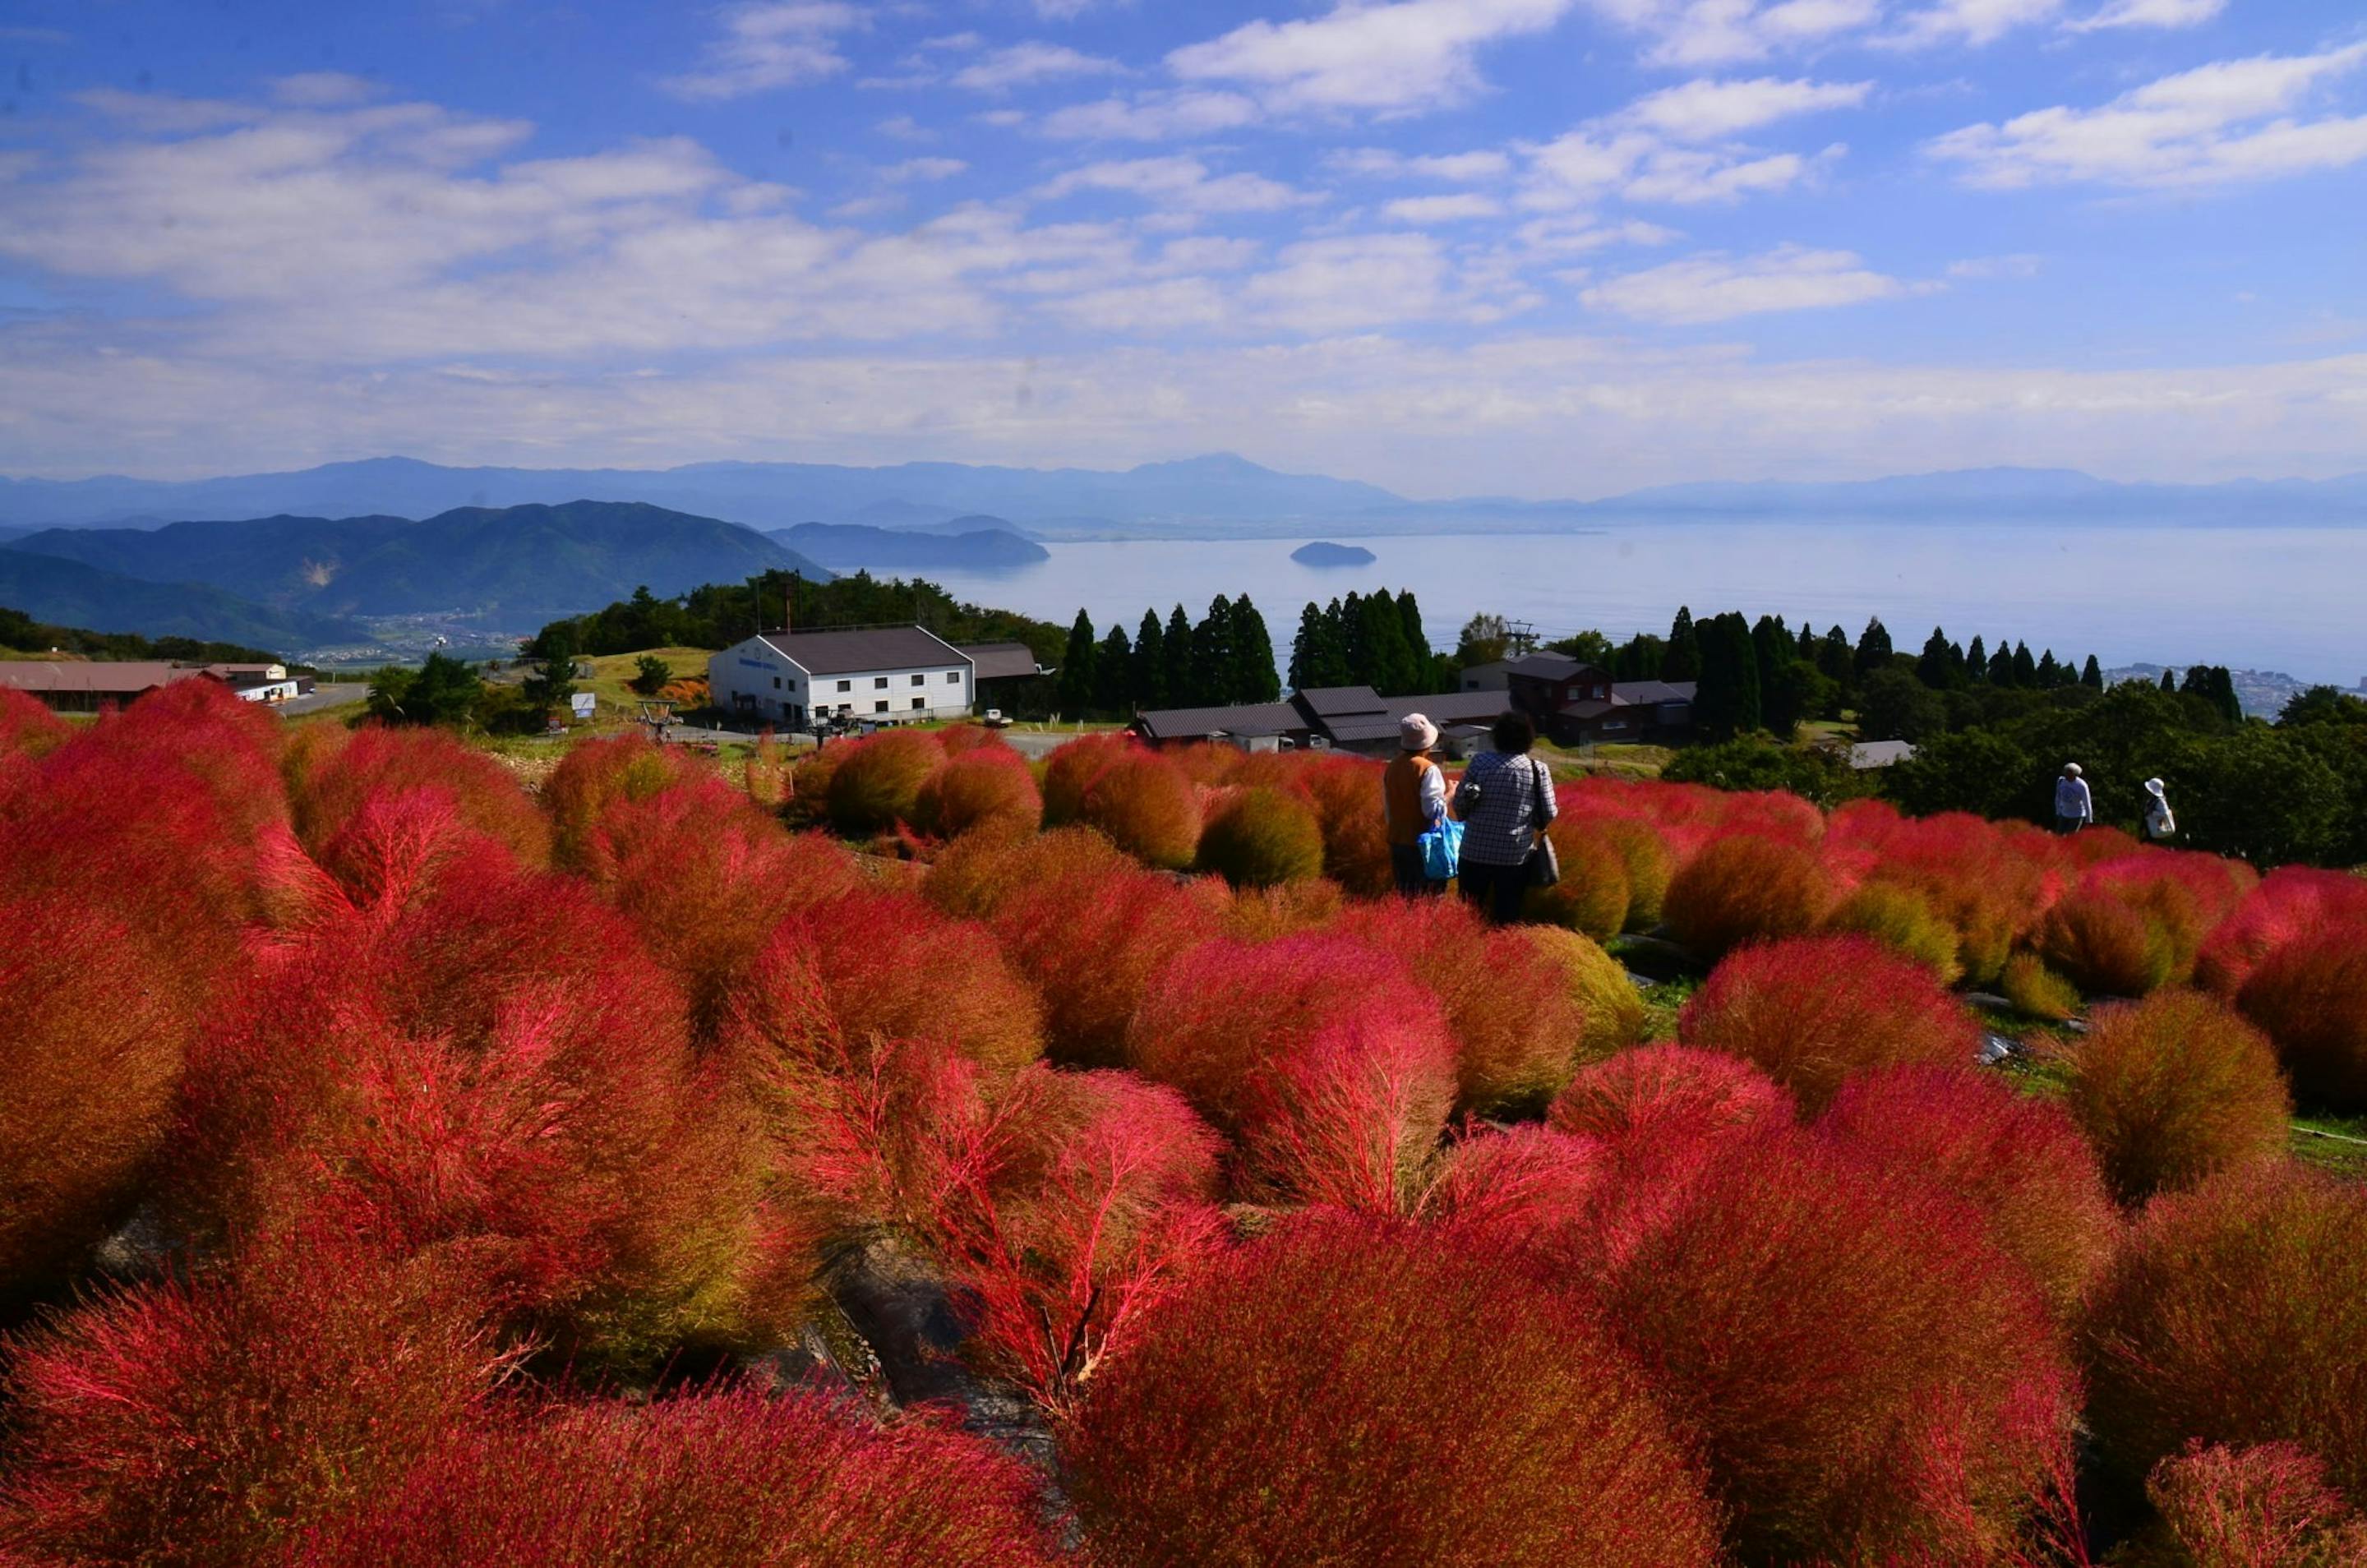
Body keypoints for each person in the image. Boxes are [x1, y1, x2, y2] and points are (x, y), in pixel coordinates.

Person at [1452, 710, 1557, 925]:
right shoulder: (1538, 770)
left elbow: (1460, 805)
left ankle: (1465, 951)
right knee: (1507, 914)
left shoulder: (1480, 762)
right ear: (1529, 739)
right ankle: (1500, 954)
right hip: (1515, 854)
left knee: (1467, 911)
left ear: (1497, 736)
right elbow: (1548, 813)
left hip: (1474, 849)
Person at [1382, 713, 1449, 897]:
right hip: (1422, 844)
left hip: (1397, 839)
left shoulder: (1392, 766)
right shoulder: (1427, 769)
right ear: (1428, 743)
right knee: (1430, 897)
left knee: (1407, 896)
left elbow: (1388, 808)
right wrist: (1450, 794)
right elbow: (1432, 811)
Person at [2054, 763, 2093, 834]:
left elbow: (2087, 802)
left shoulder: (2081, 785)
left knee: (2070, 837)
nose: (2067, 775)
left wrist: (2089, 820)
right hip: (2064, 813)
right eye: (2066, 772)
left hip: (2077, 815)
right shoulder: (2061, 781)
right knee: (2058, 835)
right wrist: (2058, 811)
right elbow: (2058, 797)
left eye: (2069, 773)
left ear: (2075, 774)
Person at [2142, 777, 2176, 842]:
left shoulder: (2161, 801)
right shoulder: (2152, 800)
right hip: (2152, 830)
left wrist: (2152, 813)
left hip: (2158, 830)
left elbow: (2165, 813)